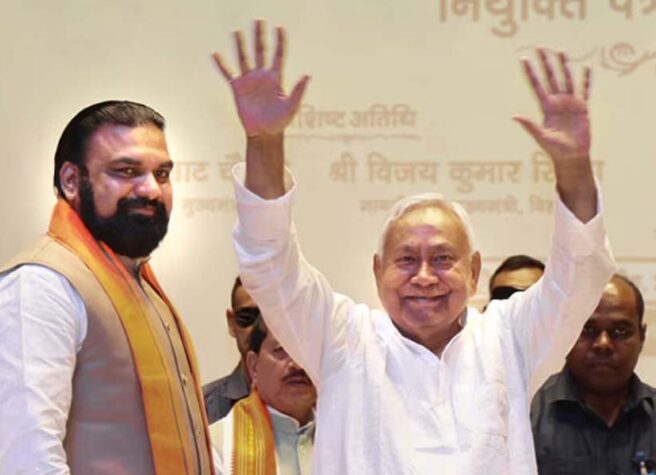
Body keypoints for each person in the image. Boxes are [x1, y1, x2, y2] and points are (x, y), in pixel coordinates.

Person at [214, 20, 615, 474]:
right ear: (377, 270)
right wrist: (264, 142)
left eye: (442, 259)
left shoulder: (508, 339)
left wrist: (573, 165)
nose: (424, 277)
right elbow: (269, 262)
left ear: (474, 271)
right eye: (406, 260)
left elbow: (579, 276)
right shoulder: (341, 338)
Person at [0, 101, 212, 474]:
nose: (151, 189)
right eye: (127, 171)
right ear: (71, 181)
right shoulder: (37, 286)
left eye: (162, 174)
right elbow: (30, 463)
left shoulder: (140, 283)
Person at [531, 274, 656, 475]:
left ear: (641, 337)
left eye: (620, 331)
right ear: (566, 333)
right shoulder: (526, 416)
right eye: (587, 329)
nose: (603, 344)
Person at [210, 317, 317, 475]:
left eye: (308, 352)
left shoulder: (346, 438)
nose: (297, 365)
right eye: (281, 350)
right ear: (254, 366)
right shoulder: (216, 448)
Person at [203, 277, 260, 423]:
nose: (259, 329)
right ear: (231, 322)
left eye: (270, 317)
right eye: (247, 317)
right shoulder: (200, 408)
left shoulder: (310, 402)